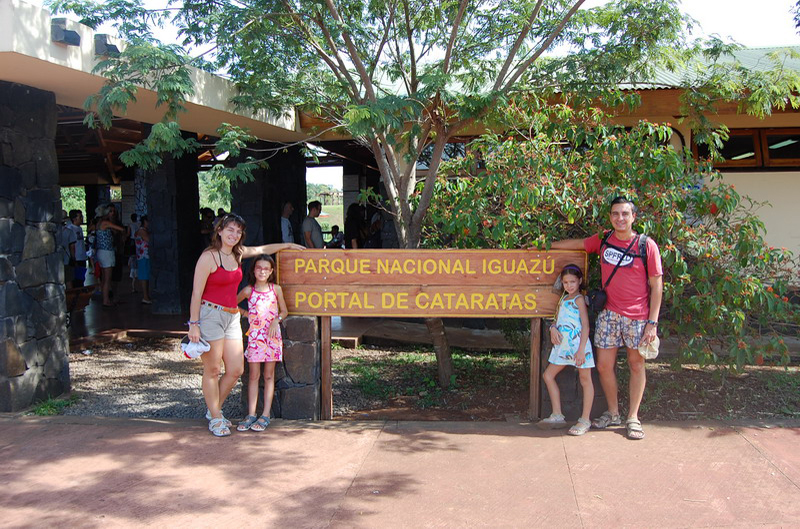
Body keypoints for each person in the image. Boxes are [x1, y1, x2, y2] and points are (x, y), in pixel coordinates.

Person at [551, 196, 663, 440]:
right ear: (610, 217)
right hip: (608, 314)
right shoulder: (603, 241)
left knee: (636, 364)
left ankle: (632, 417)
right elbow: (580, 244)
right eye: (615, 214)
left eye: (625, 214)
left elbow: (657, 285)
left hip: (638, 316)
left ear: (633, 217)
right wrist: (548, 245)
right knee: (603, 366)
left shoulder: (646, 245)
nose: (620, 218)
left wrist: (652, 323)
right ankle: (613, 413)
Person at [186, 213, 304, 437]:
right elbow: (196, 293)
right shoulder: (209, 257)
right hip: (210, 314)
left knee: (236, 369)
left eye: (238, 231)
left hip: (231, 317)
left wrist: (287, 244)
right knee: (212, 369)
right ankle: (216, 417)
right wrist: (194, 324)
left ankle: (213, 410)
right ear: (219, 231)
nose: (234, 234)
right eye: (230, 229)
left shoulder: (238, 254)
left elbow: (261, 249)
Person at [537, 265, 595, 436]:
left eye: (572, 282)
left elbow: (585, 325)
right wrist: (552, 328)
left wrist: (582, 349)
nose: (569, 285)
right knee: (548, 375)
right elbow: (557, 319)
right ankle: (557, 414)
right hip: (562, 347)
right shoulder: (563, 299)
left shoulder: (579, 300)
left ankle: (585, 419)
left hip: (579, 346)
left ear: (580, 282)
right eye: (565, 282)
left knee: (585, 380)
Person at [235, 254, 288, 432]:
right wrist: (245, 314)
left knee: (269, 375)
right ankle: (251, 414)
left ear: (271, 271)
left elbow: (285, 311)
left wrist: (276, 320)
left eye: (266, 268)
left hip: (272, 337)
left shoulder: (276, 289)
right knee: (253, 375)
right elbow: (232, 304)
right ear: (254, 270)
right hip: (255, 337)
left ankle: (265, 414)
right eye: (259, 268)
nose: (262, 271)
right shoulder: (248, 290)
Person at [94, 204, 126, 307]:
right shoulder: (105, 222)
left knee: (104, 278)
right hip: (107, 251)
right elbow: (120, 229)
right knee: (108, 278)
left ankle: (105, 298)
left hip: (101, 251)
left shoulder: (98, 223)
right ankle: (106, 300)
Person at [67, 210, 87, 287]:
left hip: (82, 256)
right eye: (80, 217)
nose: (82, 218)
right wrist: (73, 258)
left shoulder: (80, 229)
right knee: (76, 280)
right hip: (76, 258)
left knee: (81, 278)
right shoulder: (70, 229)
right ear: (74, 219)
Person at [134, 215, 152, 304]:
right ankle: (145, 296)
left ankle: (147, 295)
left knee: (146, 276)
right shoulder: (142, 231)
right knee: (144, 276)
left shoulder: (143, 230)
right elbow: (149, 240)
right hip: (143, 256)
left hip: (145, 256)